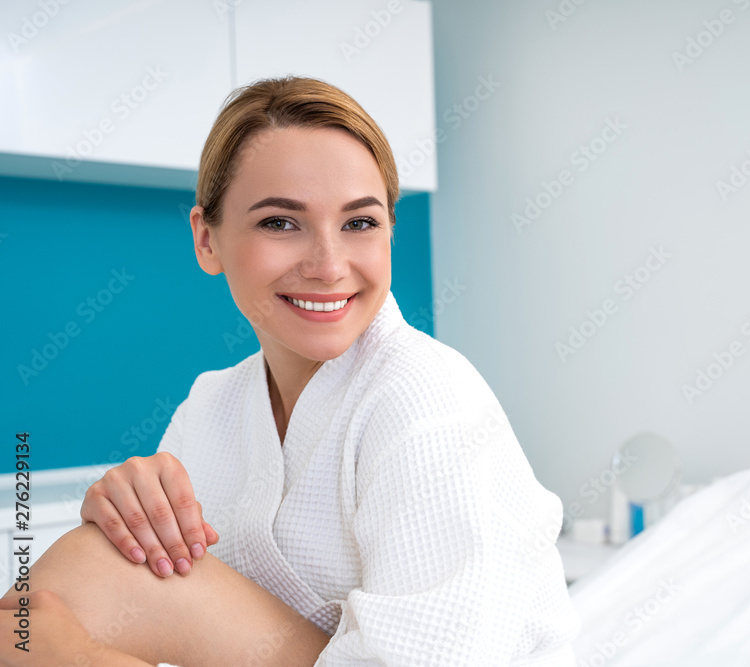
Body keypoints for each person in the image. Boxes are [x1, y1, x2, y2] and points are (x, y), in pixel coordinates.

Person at [0, 76, 579, 666]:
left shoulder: (425, 396)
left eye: (359, 223)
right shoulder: (209, 409)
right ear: (207, 239)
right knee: (51, 600)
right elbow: (149, 604)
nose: (329, 266)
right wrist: (132, 517)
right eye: (281, 222)